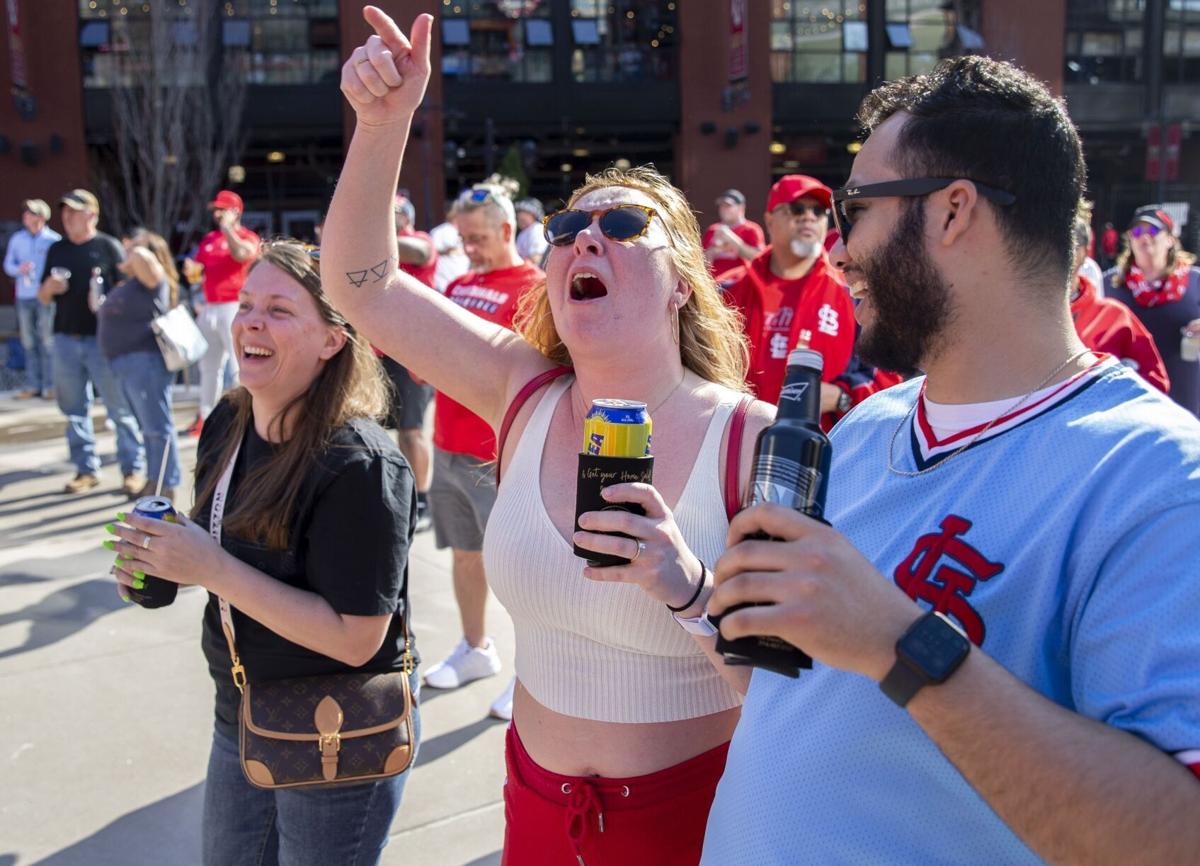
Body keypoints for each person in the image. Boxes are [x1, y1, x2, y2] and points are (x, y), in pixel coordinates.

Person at [703, 55, 1200, 865]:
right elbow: (808, 706)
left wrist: (904, 645)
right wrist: (694, 596)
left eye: (853, 208)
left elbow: (1176, 839)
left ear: (952, 210)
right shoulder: (866, 430)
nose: (836, 250)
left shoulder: (1158, 476)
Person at [322, 11, 774, 863]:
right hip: (532, 805)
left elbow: (794, 688)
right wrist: (383, 126)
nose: (584, 240)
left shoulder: (749, 441)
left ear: (683, 284)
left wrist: (686, 588)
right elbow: (362, 287)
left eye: (624, 227)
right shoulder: (523, 391)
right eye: (566, 230)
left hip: (693, 819)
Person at [106, 240, 421, 866]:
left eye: (279, 310)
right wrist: (162, 560)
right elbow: (215, 541)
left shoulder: (359, 464)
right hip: (241, 708)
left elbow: (357, 639)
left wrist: (210, 568)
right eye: (247, 304)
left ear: (333, 340)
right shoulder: (229, 420)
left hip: (335, 731)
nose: (249, 320)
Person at [422, 182, 544, 721]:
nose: (468, 248)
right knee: (465, 556)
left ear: (505, 230)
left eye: (477, 238)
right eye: (463, 239)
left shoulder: (535, 288)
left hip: (499, 455)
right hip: (449, 445)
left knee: (519, 572)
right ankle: (476, 648)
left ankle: (534, 676)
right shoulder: (463, 284)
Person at [719, 175, 856, 412]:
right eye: (797, 208)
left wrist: (843, 397)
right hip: (737, 439)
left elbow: (884, 380)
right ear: (769, 221)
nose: (809, 217)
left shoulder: (853, 292)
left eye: (819, 211)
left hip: (819, 443)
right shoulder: (726, 292)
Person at [38, 189, 144, 495]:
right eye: (65, 211)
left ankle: (131, 469)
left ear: (92, 215)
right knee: (73, 409)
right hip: (66, 339)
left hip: (104, 341)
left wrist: (107, 301)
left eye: (74, 211)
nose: (68, 217)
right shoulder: (57, 250)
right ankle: (86, 470)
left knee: (118, 407)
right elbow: (43, 298)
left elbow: (130, 294)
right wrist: (49, 287)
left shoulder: (108, 247)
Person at [97, 230, 184, 500]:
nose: (129, 251)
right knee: (149, 429)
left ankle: (166, 484)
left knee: (157, 427)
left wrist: (135, 248)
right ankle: (155, 480)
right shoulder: (134, 283)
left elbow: (144, 260)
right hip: (127, 364)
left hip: (145, 362)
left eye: (135, 248)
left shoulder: (152, 279)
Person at [1105, 206, 1200, 416]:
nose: (1144, 237)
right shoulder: (1110, 285)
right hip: (1127, 406)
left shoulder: (1196, 281)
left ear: (1170, 240)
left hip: (1185, 402)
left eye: (1153, 231)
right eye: (1137, 232)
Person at [379, 192, 437, 531]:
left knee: (413, 430)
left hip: (414, 351)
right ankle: (402, 491)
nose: (387, 216)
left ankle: (423, 499)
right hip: (382, 350)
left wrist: (376, 233)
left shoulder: (419, 241)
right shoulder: (380, 244)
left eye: (393, 211)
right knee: (390, 431)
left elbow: (419, 252)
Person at [185, 189, 260, 437]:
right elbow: (198, 270)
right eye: (216, 210)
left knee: (240, 363)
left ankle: (244, 414)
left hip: (235, 304)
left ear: (235, 211)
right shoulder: (209, 239)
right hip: (210, 305)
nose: (217, 214)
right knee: (209, 365)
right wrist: (192, 272)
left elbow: (243, 254)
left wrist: (229, 229)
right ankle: (205, 417)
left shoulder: (246, 236)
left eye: (222, 209)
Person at [1068, 213, 1169, 393]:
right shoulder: (1009, 314)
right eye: (1137, 231)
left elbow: (1155, 385)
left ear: (1084, 252)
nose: (1052, 252)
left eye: (1067, 244)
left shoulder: (1114, 317)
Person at [5, 199, 61, 399]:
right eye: (25, 213)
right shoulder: (17, 239)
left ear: (41, 217)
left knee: (47, 341)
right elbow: (8, 265)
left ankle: (51, 386)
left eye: (31, 213)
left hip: (45, 298)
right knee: (28, 342)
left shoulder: (53, 240)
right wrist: (18, 270)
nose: (26, 217)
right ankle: (33, 384)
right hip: (23, 296)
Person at [701, 189, 764, 278]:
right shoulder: (713, 230)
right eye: (721, 206)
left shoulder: (751, 229)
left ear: (741, 208)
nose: (723, 209)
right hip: (715, 283)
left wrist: (732, 239)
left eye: (728, 206)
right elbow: (702, 264)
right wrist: (713, 250)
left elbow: (760, 259)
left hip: (740, 283)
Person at [430, 199, 470, 293]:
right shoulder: (440, 231)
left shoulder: (468, 234)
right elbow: (432, 253)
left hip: (462, 288)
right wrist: (451, 250)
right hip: (442, 287)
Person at [514, 198, 549, 266]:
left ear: (533, 214)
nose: (519, 216)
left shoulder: (537, 229)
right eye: (519, 213)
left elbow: (536, 258)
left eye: (524, 212)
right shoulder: (523, 233)